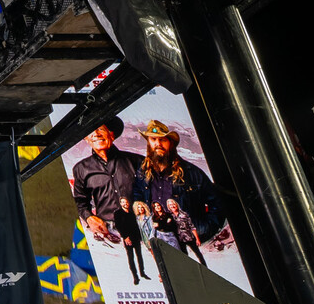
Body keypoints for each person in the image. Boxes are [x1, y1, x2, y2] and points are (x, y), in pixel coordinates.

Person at [71, 115, 153, 282]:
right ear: (86, 139)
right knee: (118, 279)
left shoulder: (136, 161)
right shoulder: (81, 169)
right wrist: (89, 218)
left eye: (100, 129)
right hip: (108, 235)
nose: (96, 134)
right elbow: (80, 201)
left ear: (112, 134)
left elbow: (154, 193)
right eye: (91, 132)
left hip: (142, 230)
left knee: (150, 272)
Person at [137, 118, 225, 265]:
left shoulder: (192, 173)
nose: (158, 144)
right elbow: (137, 199)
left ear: (171, 144)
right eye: (153, 139)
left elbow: (217, 203)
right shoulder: (142, 174)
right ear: (148, 143)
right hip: (159, 238)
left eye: (163, 140)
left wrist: (205, 227)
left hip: (189, 239)